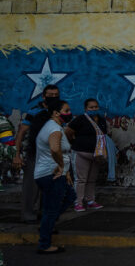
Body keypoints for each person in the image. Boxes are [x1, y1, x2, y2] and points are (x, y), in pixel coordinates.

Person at [12, 84, 60, 223]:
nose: (53, 97)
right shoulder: (34, 112)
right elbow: (21, 133)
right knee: (31, 187)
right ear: (43, 96)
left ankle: (45, 214)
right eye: (50, 95)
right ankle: (28, 215)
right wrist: (17, 155)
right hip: (35, 154)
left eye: (56, 95)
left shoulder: (58, 112)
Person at [34, 98, 75, 254]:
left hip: (55, 174)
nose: (69, 113)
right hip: (50, 175)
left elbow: (62, 153)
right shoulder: (54, 129)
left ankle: (46, 225)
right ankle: (44, 244)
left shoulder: (55, 126)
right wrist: (61, 167)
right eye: (66, 111)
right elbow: (55, 150)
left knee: (71, 196)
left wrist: (66, 172)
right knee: (51, 210)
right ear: (56, 113)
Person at [65, 98, 107, 212]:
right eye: (91, 107)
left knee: (92, 179)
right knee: (80, 179)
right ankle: (78, 202)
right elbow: (68, 132)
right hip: (81, 153)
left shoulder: (101, 120)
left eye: (96, 107)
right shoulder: (80, 119)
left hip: (96, 154)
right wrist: (74, 143)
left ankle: (90, 200)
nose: (94, 109)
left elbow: (104, 135)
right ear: (85, 109)